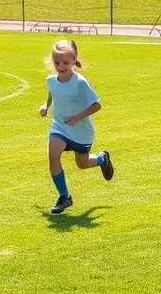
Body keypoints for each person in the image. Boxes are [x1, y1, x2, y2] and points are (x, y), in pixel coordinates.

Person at [40, 40, 114, 214]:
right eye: (57, 63)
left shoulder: (80, 82)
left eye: (65, 63)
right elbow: (52, 93)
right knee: (53, 155)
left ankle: (102, 159)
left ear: (73, 61)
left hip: (81, 130)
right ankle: (64, 197)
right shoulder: (51, 80)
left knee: (82, 164)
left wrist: (77, 117)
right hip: (59, 126)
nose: (61, 66)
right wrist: (46, 106)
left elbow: (96, 105)